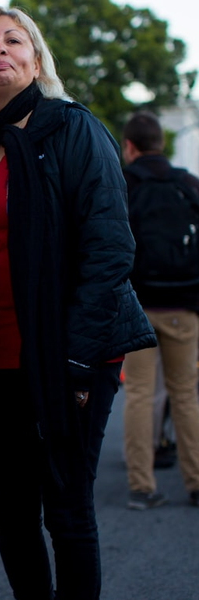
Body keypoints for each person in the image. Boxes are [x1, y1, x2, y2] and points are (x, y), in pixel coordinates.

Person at [0, 7, 156, 600]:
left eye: (15, 40)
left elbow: (110, 249)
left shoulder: (74, 130)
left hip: (67, 356)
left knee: (65, 510)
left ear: (36, 60)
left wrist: (79, 361)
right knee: (9, 511)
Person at [120, 110, 199, 510]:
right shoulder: (188, 184)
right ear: (161, 144)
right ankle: (196, 481)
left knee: (137, 393)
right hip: (184, 306)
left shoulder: (125, 184)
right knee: (185, 395)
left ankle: (142, 485)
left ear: (129, 146)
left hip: (137, 306)